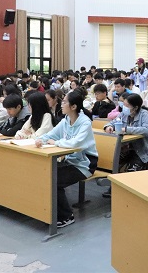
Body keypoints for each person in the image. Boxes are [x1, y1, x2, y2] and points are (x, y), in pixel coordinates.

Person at [35, 92, 98, 228]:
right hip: (70, 161)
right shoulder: (65, 121)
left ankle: (67, 216)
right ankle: (48, 212)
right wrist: (40, 140)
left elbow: (76, 143)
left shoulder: (85, 122)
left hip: (85, 164)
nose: (61, 104)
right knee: (43, 174)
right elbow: (51, 135)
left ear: (73, 106)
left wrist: (56, 143)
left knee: (55, 181)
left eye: (64, 102)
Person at [104, 93, 148, 172]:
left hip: (143, 151)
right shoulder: (124, 114)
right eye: (124, 104)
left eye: (127, 105)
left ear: (135, 107)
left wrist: (127, 129)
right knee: (111, 163)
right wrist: (108, 127)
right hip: (127, 149)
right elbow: (113, 122)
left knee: (131, 171)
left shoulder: (144, 114)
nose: (124, 107)